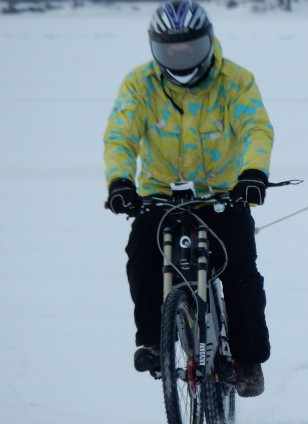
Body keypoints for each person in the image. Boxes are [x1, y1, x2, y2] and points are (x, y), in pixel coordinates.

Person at [104, 1, 273, 397]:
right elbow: (121, 136)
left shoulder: (235, 80)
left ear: (208, 42)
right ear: (155, 49)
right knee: (142, 254)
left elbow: (255, 129)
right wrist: (120, 183)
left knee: (241, 272)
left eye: (190, 49)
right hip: (160, 196)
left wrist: (253, 174)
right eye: (170, 51)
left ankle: (248, 361)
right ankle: (153, 340)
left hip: (222, 195)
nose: (180, 58)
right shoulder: (139, 84)